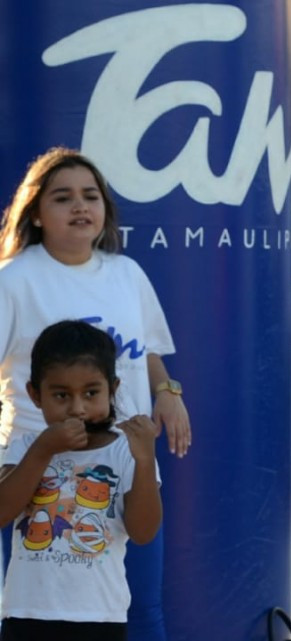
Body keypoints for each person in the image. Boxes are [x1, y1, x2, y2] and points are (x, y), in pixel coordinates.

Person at [0, 148, 190, 639]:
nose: (80, 206)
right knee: (37, 614)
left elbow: (146, 351)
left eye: (91, 195)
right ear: (37, 214)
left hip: (123, 463)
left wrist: (167, 391)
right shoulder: (14, 280)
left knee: (141, 608)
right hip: (38, 470)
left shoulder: (127, 274)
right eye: (63, 197)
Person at [0, 320, 161, 640]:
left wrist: (144, 461)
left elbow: (143, 533)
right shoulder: (24, 447)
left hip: (99, 617)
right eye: (61, 395)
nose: (77, 408)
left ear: (112, 389)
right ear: (35, 394)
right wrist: (44, 449)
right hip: (27, 614)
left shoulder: (127, 451)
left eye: (91, 393)